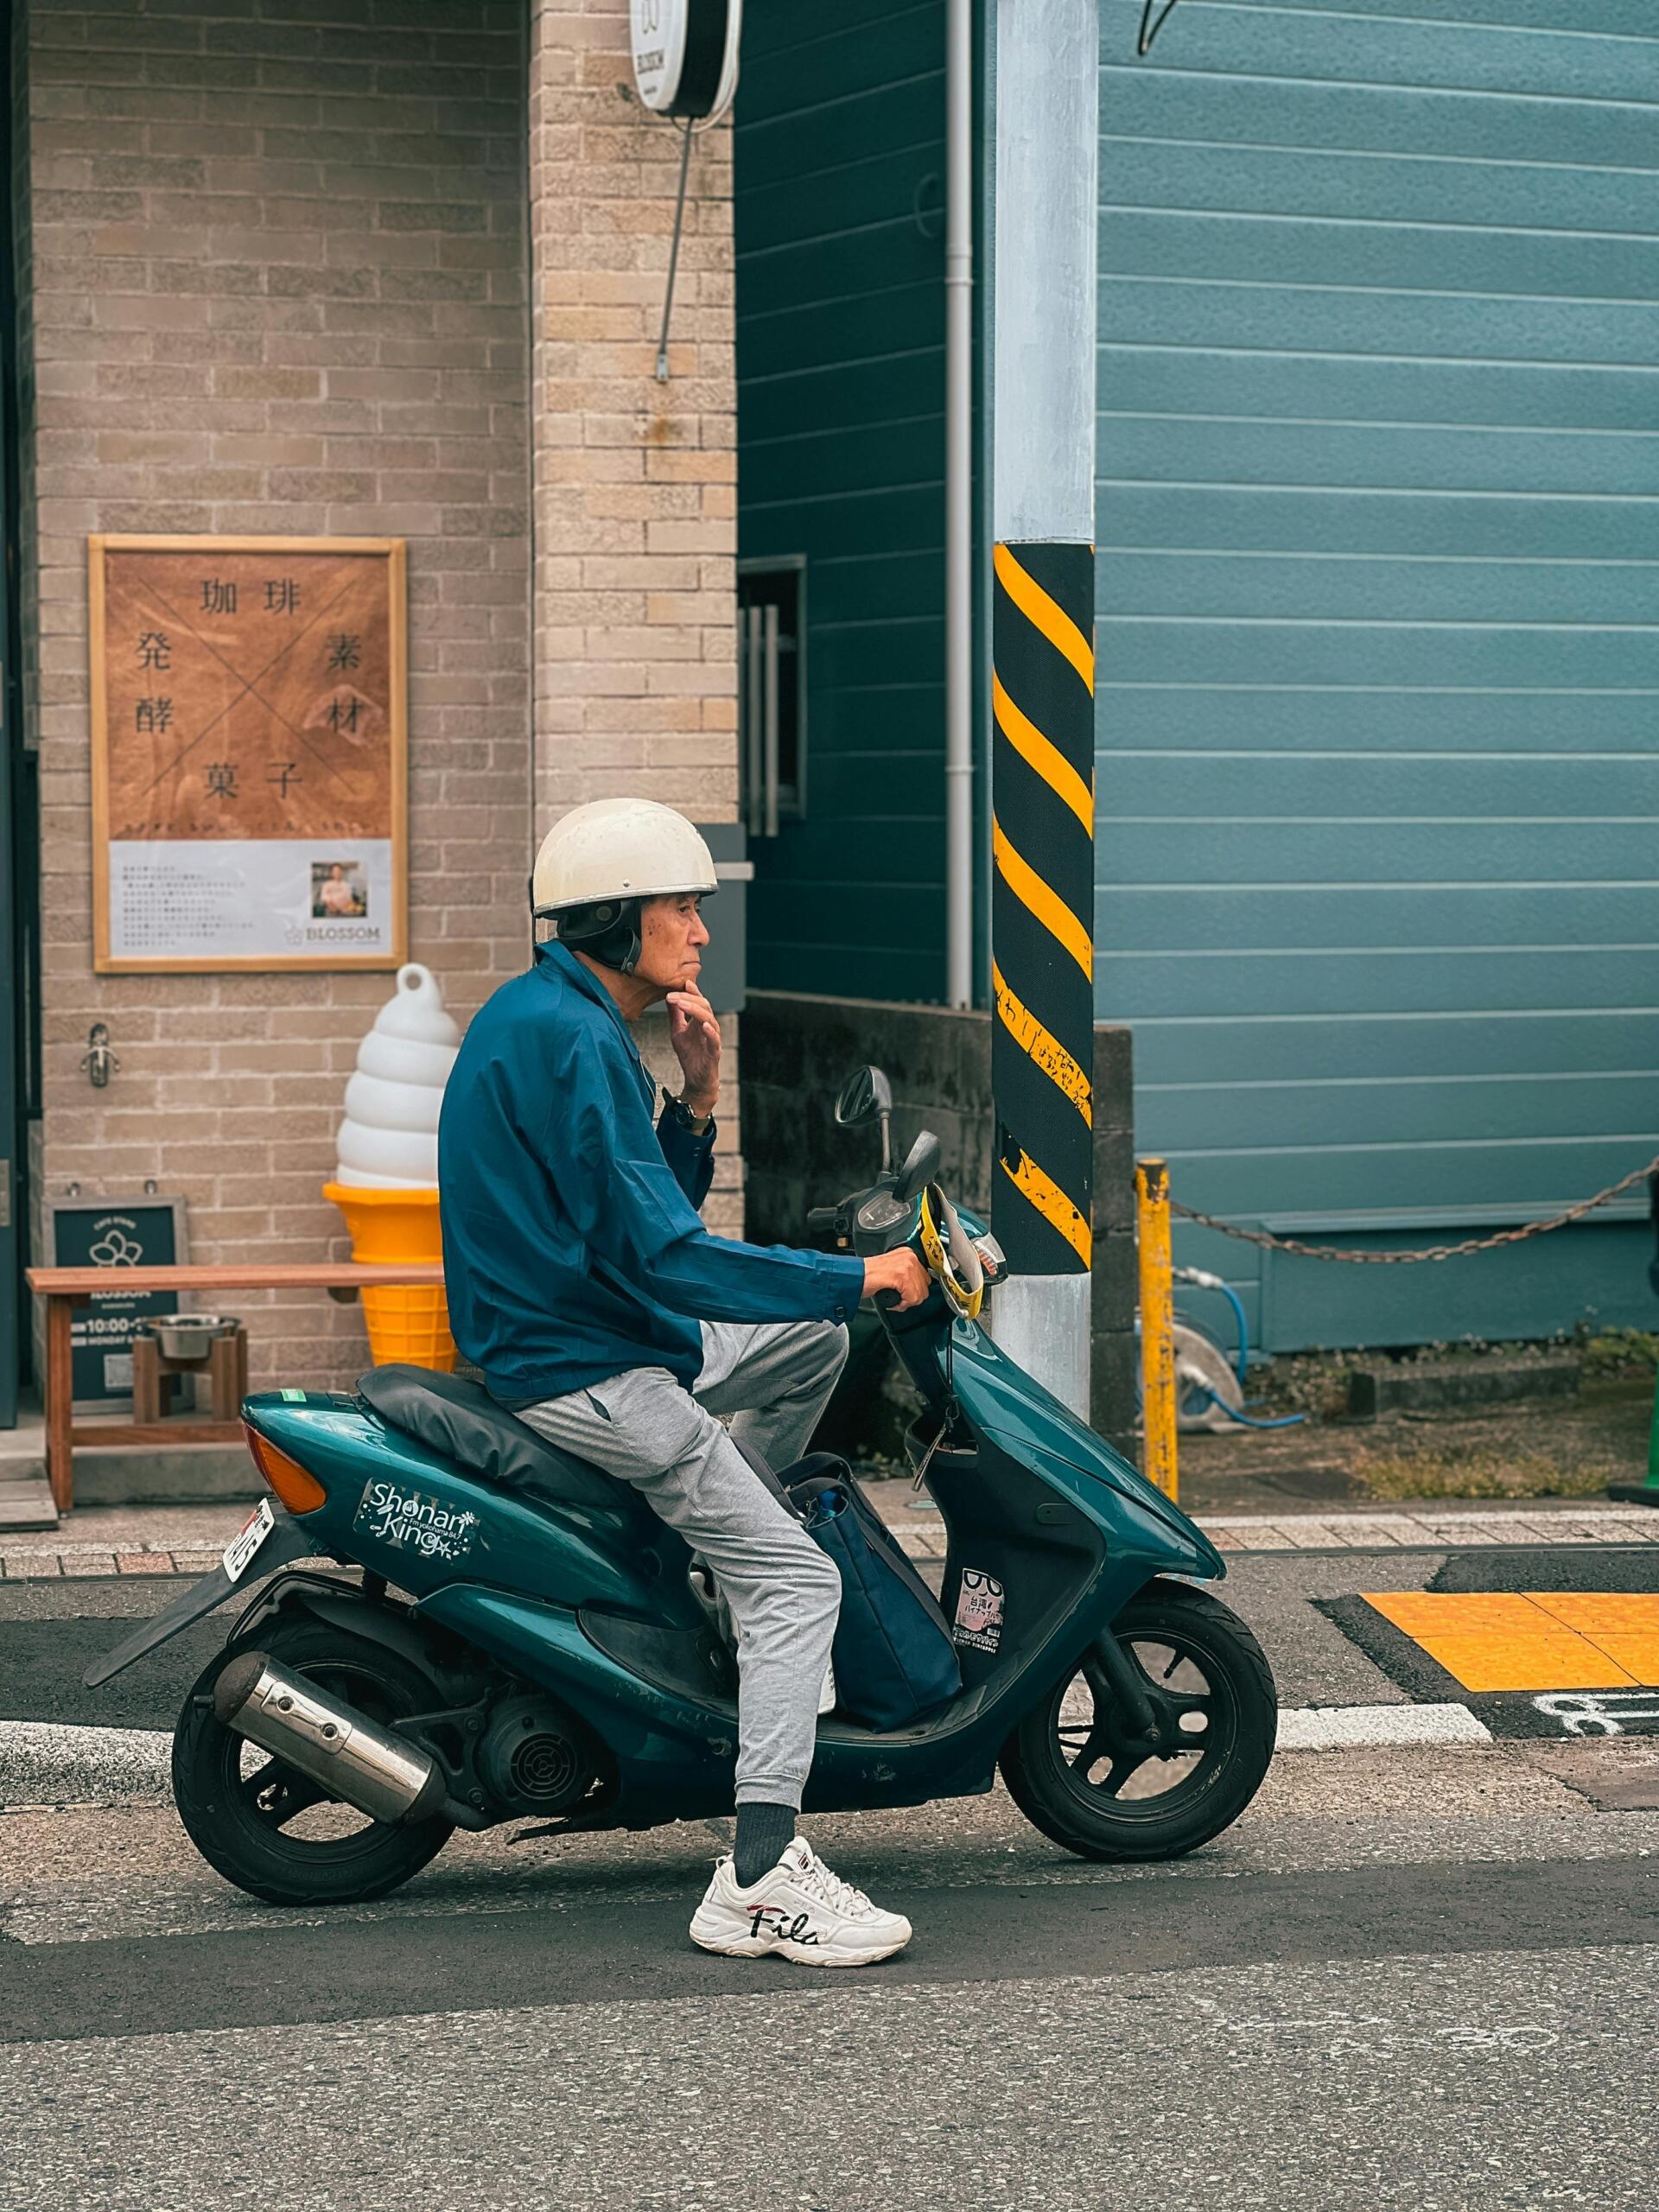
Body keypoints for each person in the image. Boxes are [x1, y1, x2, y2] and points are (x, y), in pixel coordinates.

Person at [438, 797, 929, 1967]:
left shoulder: (554, 1019)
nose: (701, 931)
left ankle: (732, 1571)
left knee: (811, 1347)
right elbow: (667, 1255)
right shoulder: (574, 1039)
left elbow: (626, 1218)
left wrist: (698, 1101)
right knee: (801, 1583)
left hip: (596, 1328)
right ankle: (759, 1877)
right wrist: (860, 1277)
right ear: (614, 919)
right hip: (594, 1368)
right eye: (680, 906)